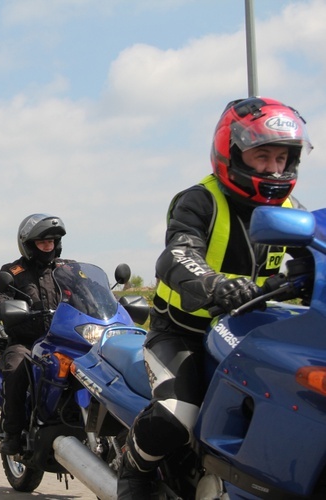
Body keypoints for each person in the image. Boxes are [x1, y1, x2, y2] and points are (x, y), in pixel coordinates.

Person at [118, 96, 313, 499]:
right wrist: (217, 285)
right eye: (262, 156)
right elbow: (177, 253)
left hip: (251, 335)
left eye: (282, 158)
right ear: (233, 152)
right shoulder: (200, 200)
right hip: (183, 332)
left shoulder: (293, 211)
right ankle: (133, 470)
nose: (274, 168)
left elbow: (319, 253)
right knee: (178, 415)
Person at [0, 213, 66, 455]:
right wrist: (5, 308)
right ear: (29, 245)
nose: (47, 247)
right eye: (42, 243)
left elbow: (89, 292)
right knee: (16, 366)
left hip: (63, 340)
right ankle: (11, 432)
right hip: (27, 342)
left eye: (51, 242)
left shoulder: (66, 270)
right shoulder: (14, 272)